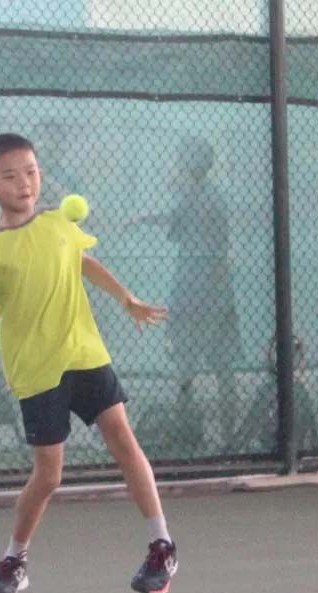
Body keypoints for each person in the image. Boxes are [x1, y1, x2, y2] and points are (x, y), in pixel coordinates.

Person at [0, 133, 177, 593]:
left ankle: (161, 546)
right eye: (10, 176)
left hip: (85, 354)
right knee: (48, 476)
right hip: (36, 371)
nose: (24, 183)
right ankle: (15, 561)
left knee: (124, 441)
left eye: (31, 172)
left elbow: (83, 262)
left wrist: (126, 298)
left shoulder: (58, 222)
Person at [126, 136, 241, 451]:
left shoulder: (200, 197)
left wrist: (145, 216)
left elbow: (178, 219)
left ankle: (191, 436)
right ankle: (217, 438)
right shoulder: (204, 195)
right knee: (219, 365)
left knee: (192, 363)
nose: (174, 166)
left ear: (187, 166)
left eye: (179, 160)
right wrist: (144, 217)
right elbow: (175, 218)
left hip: (196, 291)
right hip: (216, 291)